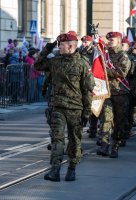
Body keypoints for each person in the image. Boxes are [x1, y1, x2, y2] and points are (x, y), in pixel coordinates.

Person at [34, 31, 94, 182]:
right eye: (58, 45)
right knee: (57, 139)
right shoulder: (55, 61)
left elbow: (87, 90)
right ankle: (55, 170)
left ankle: (71, 169)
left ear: (70, 47)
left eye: (61, 45)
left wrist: (87, 112)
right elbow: (38, 65)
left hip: (75, 108)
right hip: (57, 107)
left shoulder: (82, 64)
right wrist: (47, 48)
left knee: (74, 140)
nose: (59, 47)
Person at [96, 31, 131, 158]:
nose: (109, 42)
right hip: (106, 92)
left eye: (112, 40)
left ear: (119, 41)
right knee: (106, 118)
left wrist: (105, 70)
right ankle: (104, 145)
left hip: (120, 93)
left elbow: (121, 73)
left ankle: (115, 145)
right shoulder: (103, 54)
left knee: (119, 121)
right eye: (109, 40)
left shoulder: (123, 56)